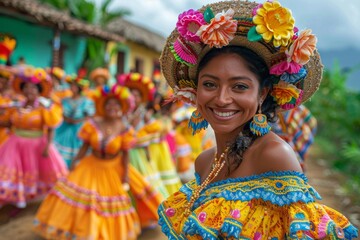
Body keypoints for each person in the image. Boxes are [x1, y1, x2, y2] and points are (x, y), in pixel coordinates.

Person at [157, 0, 359, 239]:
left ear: (262, 93)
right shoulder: (204, 162)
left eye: (239, 86)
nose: (222, 99)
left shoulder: (274, 156)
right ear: (196, 89)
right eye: (209, 84)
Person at [33, 84, 163, 239]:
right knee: (84, 200)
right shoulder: (93, 124)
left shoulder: (125, 129)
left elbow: (125, 153)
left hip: (113, 169)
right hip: (90, 165)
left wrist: (126, 174)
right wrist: (76, 161)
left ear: (122, 107)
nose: (112, 107)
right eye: (109, 104)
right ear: (103, 106)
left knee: (112, 203)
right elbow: (85, 145)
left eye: (116, 104)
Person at [0, 66, 67, 209]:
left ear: (39, 91)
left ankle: (31, 203)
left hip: (37, 145)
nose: (29, 91)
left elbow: (50, 127)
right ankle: (15, 200)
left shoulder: (45, 107)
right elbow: (7, 123)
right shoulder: (16, 106)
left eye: (33, 88)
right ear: (22, 90)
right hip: (14, 144)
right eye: (27, 87)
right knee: (11, 171)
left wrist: (48, 146)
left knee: (34, 173)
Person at [53, 74, 95, 168]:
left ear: (80, 88)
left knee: (80, 152)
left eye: (75, 86)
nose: (72, 88)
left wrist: (78, 121)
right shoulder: (64, 100)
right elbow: (60, 113)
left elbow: (90, 116)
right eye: (71, 85)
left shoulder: (86, 101)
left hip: (80, 130)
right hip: (64, 129)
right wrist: (67, 119)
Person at [272, 105, 317, 171]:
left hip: (291, 145)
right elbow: (312, 124)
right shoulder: (298, 107)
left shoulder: (299, 108)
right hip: (283, 146)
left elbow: (312, 124)